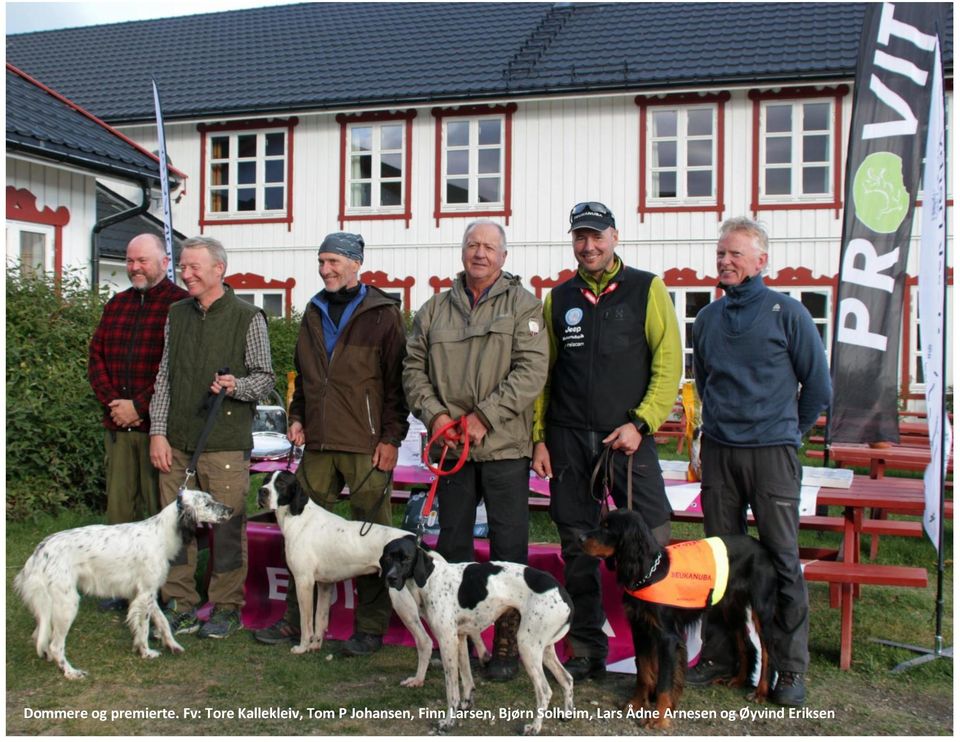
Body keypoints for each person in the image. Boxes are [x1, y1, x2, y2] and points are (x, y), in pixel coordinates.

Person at [531, 201, 682, 681]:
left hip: (628, 439)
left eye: (597, 236)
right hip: (569, 440)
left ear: (615, 237)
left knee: (653, 537)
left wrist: (642, 423)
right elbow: (543, 376)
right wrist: (540, 438)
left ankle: (660, 650)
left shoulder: (647, 288)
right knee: (578, 547)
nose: (589, 246)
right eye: (580, 237)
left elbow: (668, 364)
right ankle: (589, 649)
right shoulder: (558, 298)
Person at [689, 216, 831, 707]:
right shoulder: (707, 319)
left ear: (761, 260)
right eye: (721, 254)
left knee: (782, 560)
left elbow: (818, 387)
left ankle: (789, 669)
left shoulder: (787, 313)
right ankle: (723, 657)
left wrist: (787, 431)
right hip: (721, 453)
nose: (725, 261)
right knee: (719, 563)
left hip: (772, 454)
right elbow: (705, 383)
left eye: (735, 254)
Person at [403, 219, 548, 681]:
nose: (479, 253)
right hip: (451, 450)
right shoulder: (432, 311)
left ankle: (506, 645)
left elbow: (531, 372)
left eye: (489, 246)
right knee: (453, 549)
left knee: (509, 551)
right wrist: (437, 418)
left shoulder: (525, 306)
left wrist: (483, 418)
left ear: (504, 256)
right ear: (462, 252)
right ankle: (460, 640)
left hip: (504, 447)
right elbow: (413, 370)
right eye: (472, 245)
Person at [253, 232, 409, 655]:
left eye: (334, 261)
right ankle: (294, 623)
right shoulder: (312, 310)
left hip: (366, 443)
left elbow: (399, 384)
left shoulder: (383, 313)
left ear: (357, 263)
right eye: (321, 261)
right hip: (318, 444)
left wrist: (392, 437)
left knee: (372, 536)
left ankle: (370, 628)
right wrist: (298, 415)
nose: (325, 270)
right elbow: (304, 374)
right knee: (298, 536)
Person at [149, 236, 275, 639]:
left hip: (224, 441)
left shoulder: (247, 316)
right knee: (176, 529)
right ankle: (180, 604)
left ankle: (225, 606)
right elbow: (164, 379)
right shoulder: (175, 314)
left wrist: (235, 385)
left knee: (226, 528)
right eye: (182, 267)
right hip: (176, 440)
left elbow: (265, 379)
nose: (185, 274)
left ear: (219, 269)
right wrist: (157, 432)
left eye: (193, 267)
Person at [87, 233, 188, 611]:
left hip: (157, 431)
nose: (134, 267)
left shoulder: (180, 305)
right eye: (130, 261)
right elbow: (95, 356)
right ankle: (117, 587)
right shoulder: (117, 305)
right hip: (117, 427)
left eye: (142, 261)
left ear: (164, 261)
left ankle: (159, 591)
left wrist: (139, 407)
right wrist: (115, 404)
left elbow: (175, 370)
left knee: (156, 514)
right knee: (119, 513)